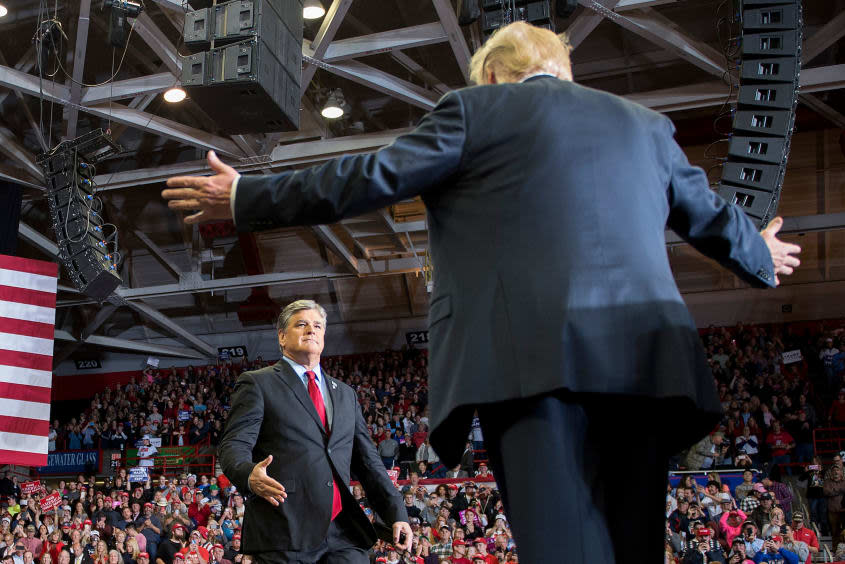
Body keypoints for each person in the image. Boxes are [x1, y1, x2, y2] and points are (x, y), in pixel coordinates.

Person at [163, 21, 802, 564]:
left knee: (560, 544)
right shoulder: (645, 126)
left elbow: (369, 176)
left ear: (492, 75)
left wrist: (246, 196)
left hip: (528, 362)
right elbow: (712, 218)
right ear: (564, 71)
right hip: (646, 366)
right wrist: (760, 253)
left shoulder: (476, 111)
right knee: (629, 543)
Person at [217, 300, 411, 562]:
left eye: (317, 325)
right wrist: (249, 475)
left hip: (343, 531)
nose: (311, 329)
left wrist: (396, 514)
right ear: (282, 337)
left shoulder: (346, 394)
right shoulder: (258, 383)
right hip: (286, 528)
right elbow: (233, 446)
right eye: (302, 324)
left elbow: (369, 462)